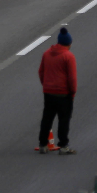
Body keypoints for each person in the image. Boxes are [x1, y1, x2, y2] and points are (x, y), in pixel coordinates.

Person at [38, 27, 77, 155]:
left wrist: (46, 85)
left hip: (48, 92)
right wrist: (72, 92)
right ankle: (63, 146)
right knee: (64, 120)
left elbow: (41, 72)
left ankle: (43, 144)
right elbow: (72, 77)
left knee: (47, 118)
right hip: (64, 93)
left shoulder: (46, 53)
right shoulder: (68, 56)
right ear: (68, 43)